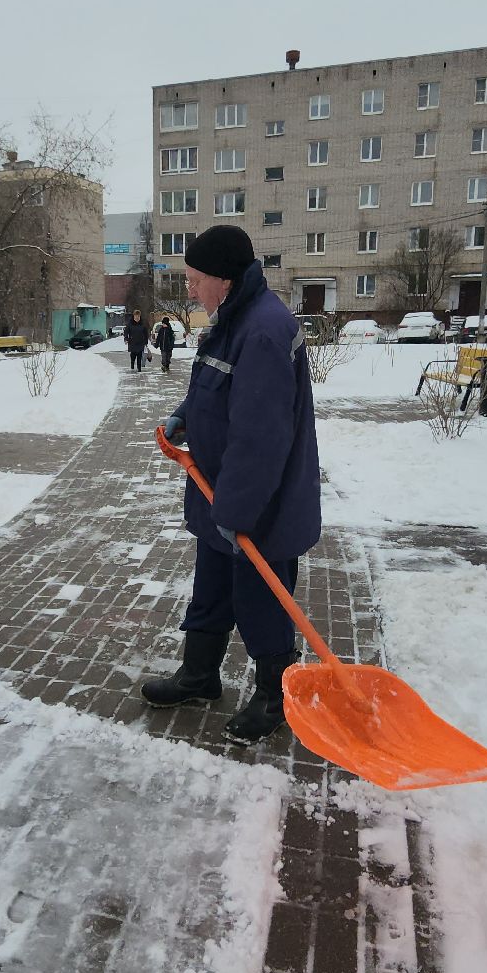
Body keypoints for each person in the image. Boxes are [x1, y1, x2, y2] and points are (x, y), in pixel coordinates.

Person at [140, 224, 320, 744]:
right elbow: (215, 393)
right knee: (212, 589)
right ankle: (199, 675)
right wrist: (184, 418)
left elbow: (259, 439)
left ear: (222, 278)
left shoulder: (261, 331)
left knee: (261, 598)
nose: (190, 290)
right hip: (220, 491)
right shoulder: (233, 318)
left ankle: (274, 696)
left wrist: (236, 515)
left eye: (195, 280)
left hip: (257, 503)